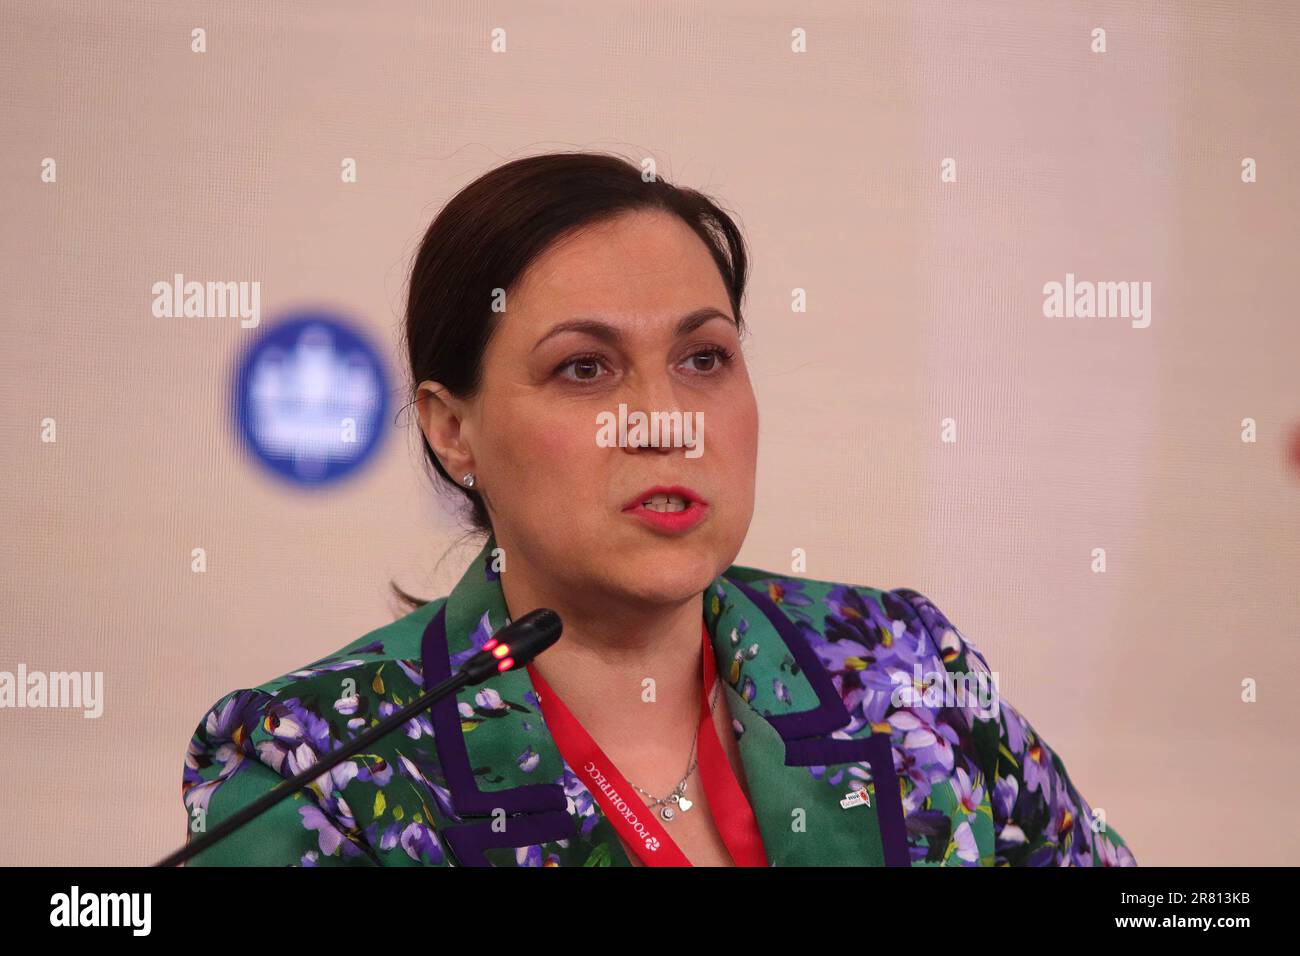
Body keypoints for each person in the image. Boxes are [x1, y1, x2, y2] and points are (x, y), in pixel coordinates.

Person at [180, 152, 1137, 867]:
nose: (665, 422)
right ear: (452, 429)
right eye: (584, 369)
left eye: (703, 359)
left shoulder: (900, 662)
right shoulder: (324, 762)